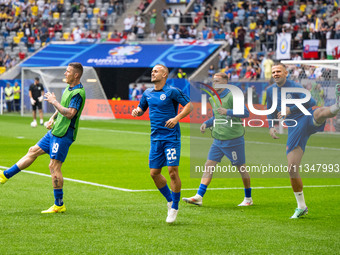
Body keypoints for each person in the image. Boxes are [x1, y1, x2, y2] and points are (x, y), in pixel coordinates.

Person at [0, 63, 86, 214]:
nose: (65, 73)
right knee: (32, 151)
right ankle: (4, 176)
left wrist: (54, 102)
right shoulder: (69, 88)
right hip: (55, 130)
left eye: (68, 71)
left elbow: (70, 113)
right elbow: (62, 109)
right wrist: (53, 118)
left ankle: (59, 205)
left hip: (64, 134)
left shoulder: (78, 93)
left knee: (54, 166)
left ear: (76, 75)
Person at [267, 63, 340, 219]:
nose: (276, 74)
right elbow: (270, 109)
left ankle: (337, 105)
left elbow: (311, 102)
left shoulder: (294, 86)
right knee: (292, 168)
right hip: (295, 128)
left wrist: (290, 109)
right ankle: (301, 206)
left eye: (279, 71)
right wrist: (271, 126)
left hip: (306, 116)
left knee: (320, 112)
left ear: (286, 72)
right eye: (273, 72)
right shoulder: (270, 91)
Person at [131, 64, 192, 223]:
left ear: (164, 75)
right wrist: (137, 111)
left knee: (172, 171)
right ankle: (170, 199)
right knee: (154, 173)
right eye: (152, 71)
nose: (153, 73)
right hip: (155, 138)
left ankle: (175, 207)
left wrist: (176, 118)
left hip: (171, 137)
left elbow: (189, 105)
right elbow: (141, 107)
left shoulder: (172, 91)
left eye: (156, 71)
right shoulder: (147, 93)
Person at [182, 72, 253, 207]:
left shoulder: (233, 96)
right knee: (208, 165)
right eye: (214, 81)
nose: (215, 83)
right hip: (218, 139)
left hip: (233, 140)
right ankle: (199, 196)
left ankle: (248, 198)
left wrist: (228, 112)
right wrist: (206, 123)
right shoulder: (213, 98)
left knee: (241, 169)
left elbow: (246, 113)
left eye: (218, 81)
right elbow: (217, 117)